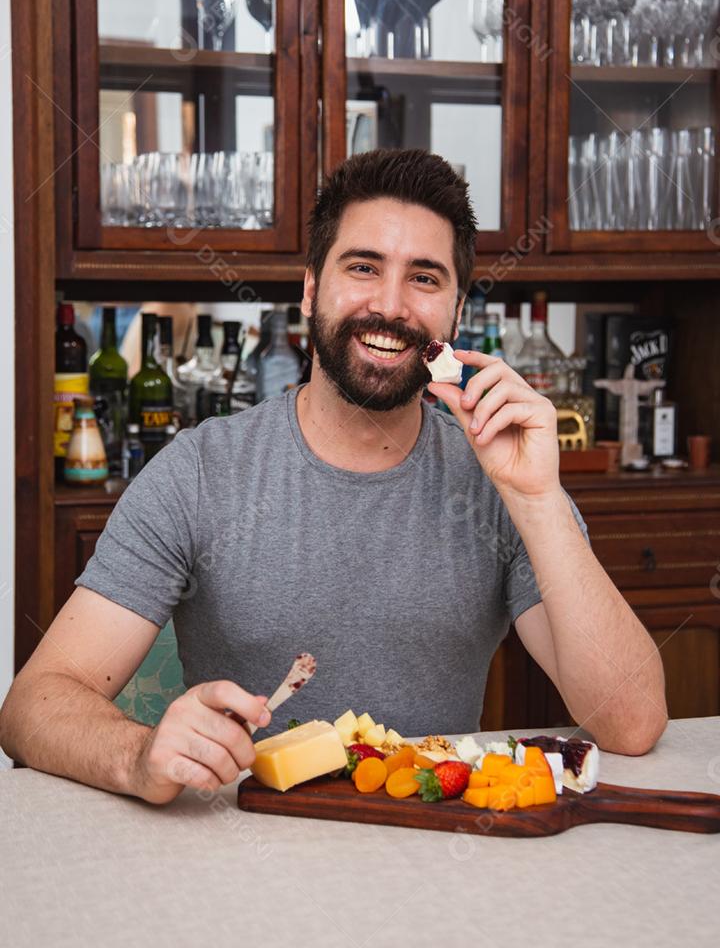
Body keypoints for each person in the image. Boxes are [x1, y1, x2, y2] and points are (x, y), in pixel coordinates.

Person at [0, 149, 667, 805]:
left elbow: (630, 724)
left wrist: (538, 497)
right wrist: (138, 756)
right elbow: (34, 704)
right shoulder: (198, 473)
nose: (391, 304)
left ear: (457, 314)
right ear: (312, 288)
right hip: (241, 862)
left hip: (437, 859)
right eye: (363, 267)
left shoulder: (502, 481)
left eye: (425, 278)